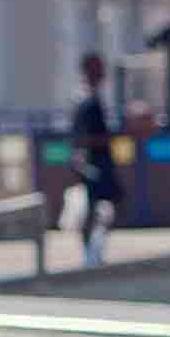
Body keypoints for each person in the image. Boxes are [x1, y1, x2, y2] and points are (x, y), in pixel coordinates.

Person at [68, 52, 124, 266]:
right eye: (98, 68)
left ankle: (94, 251)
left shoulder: (94, 98)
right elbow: (82, 137)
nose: (102, 72)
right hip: (93, 164)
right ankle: (91, 255)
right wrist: (108, 137)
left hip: (97, 162)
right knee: (95, 207)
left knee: (107, 204)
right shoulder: (85, 100)